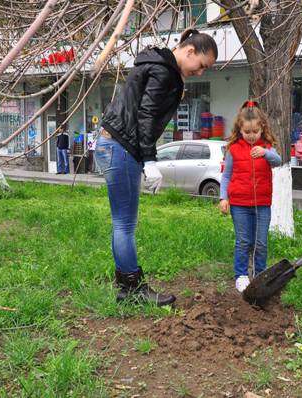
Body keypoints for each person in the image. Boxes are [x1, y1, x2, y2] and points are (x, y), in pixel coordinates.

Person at [96, 29, 217, 306]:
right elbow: (147, 115)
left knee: (121, 224)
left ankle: (127, 286)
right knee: (125, 225)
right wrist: (150, 160)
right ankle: (132, 290)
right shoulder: (166, 72)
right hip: (121, 146)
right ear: (189, 52)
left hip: (113, 143)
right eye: (201, 66)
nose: (200, 73)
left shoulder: (154, 63)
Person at [219, 101, 282, 293]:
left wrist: (265, 153)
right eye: (247, 132)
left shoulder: (267, 148)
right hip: (239, 204)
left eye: (255, 132)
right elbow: (227, 176)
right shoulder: (234, 149)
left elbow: (278, 161)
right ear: (240, 129)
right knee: (244, 241)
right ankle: (241, 275)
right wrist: (223, 198)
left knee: (261, 242)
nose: (252, 136)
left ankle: (259, 275)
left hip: (262, 203)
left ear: (262, 128)